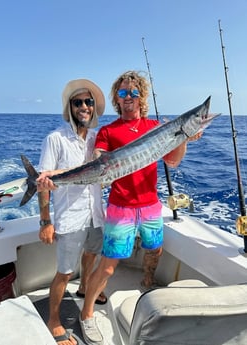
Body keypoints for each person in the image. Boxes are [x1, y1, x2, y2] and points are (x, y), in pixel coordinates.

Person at [78, 70, 202, 345]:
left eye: (134, 92)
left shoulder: (157, 128)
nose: (129, 97)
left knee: (154, 249)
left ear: (142, 96)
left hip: (150, 206)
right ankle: (86, 315)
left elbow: (172, 162)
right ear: (116, 99)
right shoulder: (108, 131)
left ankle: (148, 280)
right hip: (120, 207)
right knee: (109, 267)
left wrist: (182, 138)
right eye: (123, 93)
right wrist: (99, 162)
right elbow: (99, 157)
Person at [37, 79, 106, 345]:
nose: (84, 107)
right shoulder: (55, 138)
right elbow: (44, 182)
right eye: (78, 102)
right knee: (64, 272)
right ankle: (53, 320)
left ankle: (85, 287)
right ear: (70, 107)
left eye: (89, 102)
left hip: (95, 213)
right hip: (70, 216)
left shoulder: (96, 139)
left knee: (91, 255)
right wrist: (46, 221)